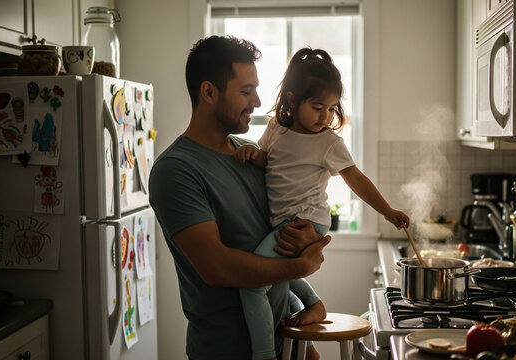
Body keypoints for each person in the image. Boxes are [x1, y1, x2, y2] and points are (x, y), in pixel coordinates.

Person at [148, 36, 331, 360]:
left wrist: (306, 237)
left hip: (285, 344)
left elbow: (275, 232)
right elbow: (217, 267)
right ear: (208, 92)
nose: (258, 102)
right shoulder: (175, 171)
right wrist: (299, 264)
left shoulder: (252, 155)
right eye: (246, 91)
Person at [234, 47, 410, 360]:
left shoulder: (329, 143)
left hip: (305, 222)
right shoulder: (276, 128)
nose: (326, 116)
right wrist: (251, 154)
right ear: (291, 100)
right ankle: (314, 305)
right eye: (318, 107)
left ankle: (264, 355)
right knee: (278, 276)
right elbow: (267, 160)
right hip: (283, 221)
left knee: (252, 286)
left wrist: (388, 212)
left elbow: (356, 180)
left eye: (331, 108)